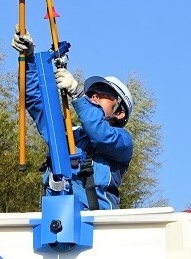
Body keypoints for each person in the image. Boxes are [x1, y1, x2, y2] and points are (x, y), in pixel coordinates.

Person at [12, 26, 134, 210]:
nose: (94, 95)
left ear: (120, 112)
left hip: (97, 221)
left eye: (104, 94)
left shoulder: (123, 141)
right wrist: (28, 59)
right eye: (91, 93)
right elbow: (35, 100)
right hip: (57, 216)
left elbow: (100, 134)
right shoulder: (70, 133)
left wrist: (78, 94)